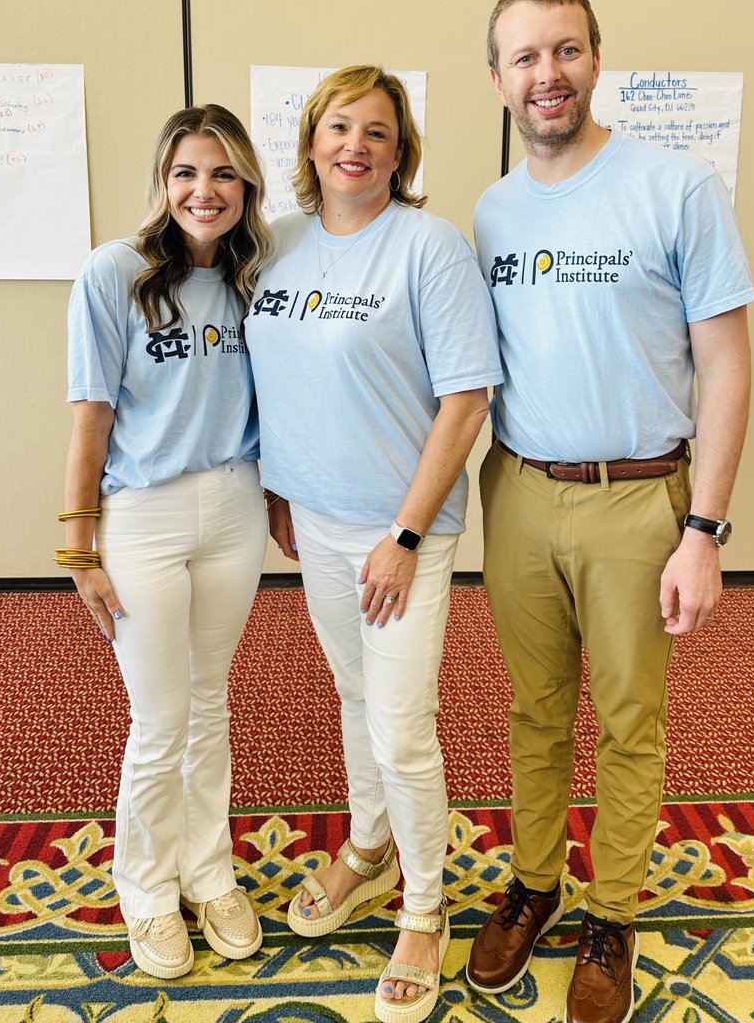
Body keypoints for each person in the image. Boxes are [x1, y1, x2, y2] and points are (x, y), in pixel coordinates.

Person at [465, 0, 754, 1023]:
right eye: (525, 57)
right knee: (534, 711)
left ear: (596, 60)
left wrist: (704, 531)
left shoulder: (676, 187)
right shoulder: (492, 211)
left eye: (567, 50)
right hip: (520, 493)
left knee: (631, 720)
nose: (548, 74)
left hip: (640, 501)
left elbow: (726, 367)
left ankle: (612, 911)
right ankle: (535, 885)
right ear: (495, 78)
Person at [245, 66, 501, 1023]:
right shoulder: (276, 245)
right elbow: (268, 377)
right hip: (312, 519)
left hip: (402, 534)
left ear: (402, 152)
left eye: (379, 133)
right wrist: (276, 483)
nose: (356, 144)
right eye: (339, 126)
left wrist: (401, 533)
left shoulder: (429, 248)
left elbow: (465, 398)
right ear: (310, 142)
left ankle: (426, 909)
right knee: (352, 695)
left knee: (401, 724)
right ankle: (366, 841)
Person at [59, 104, 274, 979]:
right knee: (160, 719)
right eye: (186, 172)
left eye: (223, 174)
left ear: (246, 186)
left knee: (210, 701)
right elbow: (91, 414)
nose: (204, 190)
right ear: (163, 180)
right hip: (142, 515)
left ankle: (208, 871)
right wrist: (79, 545)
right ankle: (146, 889)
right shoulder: (114, 273)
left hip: (234, 506)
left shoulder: (255, 278)